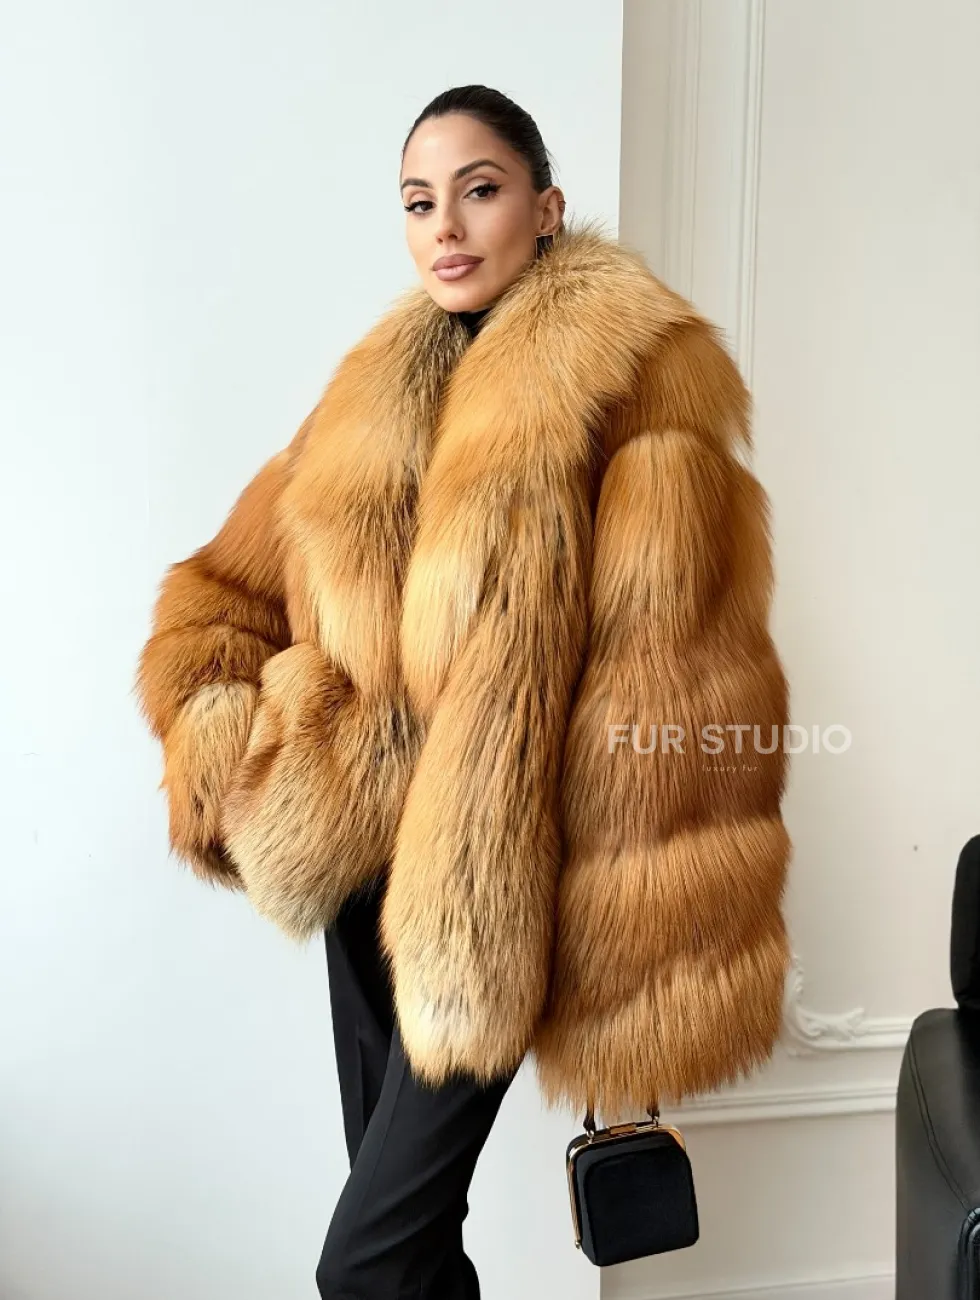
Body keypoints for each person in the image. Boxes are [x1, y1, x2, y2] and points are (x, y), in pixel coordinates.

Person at [134, 84, 791, 1298]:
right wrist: (233, 739)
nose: (444, 225)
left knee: (364, 1265)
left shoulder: (635, 382)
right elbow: (225, 594)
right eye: (416, 201)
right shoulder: (367, 394)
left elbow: (674, 681)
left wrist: (619, 932)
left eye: (478, 190)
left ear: (543, 207)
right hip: (361, 877)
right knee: (415, 1256)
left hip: (498, 892)